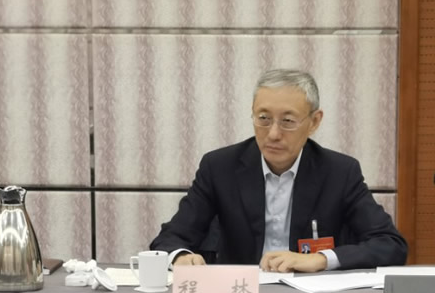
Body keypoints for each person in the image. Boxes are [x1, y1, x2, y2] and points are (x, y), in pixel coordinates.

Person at [150, 68, 407, 272]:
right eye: (263, 118)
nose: (273, 133)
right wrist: (181, 257)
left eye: (287, 121)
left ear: (314, 122)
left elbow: (390, 245)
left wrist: (320, 259)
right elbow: (170, 239)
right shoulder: (219, 167)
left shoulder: (340, 172)